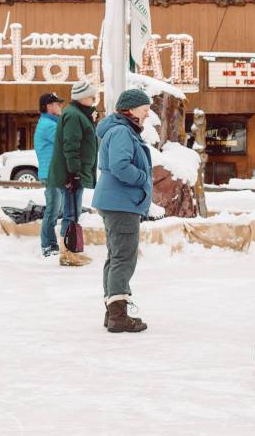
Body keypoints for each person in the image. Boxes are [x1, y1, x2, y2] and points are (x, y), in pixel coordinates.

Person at [92, 89, 152, 333]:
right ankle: (118, 316)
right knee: (123, 257)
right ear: (131, 109)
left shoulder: (121, 130)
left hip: (116, 201)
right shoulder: (121, 132)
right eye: (145, 108)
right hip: (120, 203)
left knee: (116, 256)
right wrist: (143, 177)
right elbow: (120, 165)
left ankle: (113, 309)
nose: (148, 113)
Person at [48, 80, 99, 267]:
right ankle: (67, 253)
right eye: (92, 96)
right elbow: (71, 146)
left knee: (74, 212)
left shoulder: (79, 114)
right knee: (71, 213)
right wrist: (74, 173)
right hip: (70, 174)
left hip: (74, 172)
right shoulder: (73, 115)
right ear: (82, 97)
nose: (94, 100)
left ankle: (70, 250)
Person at [33, 92, 65, 257]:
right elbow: (65, 140)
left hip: (54, 172)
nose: (61, 106)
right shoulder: (48, 124)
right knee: (53, 210)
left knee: (57, 208)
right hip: (52, 173)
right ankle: (48, 245)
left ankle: (51, 244)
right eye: (57, 104)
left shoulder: (52, 122)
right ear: (49, 107)